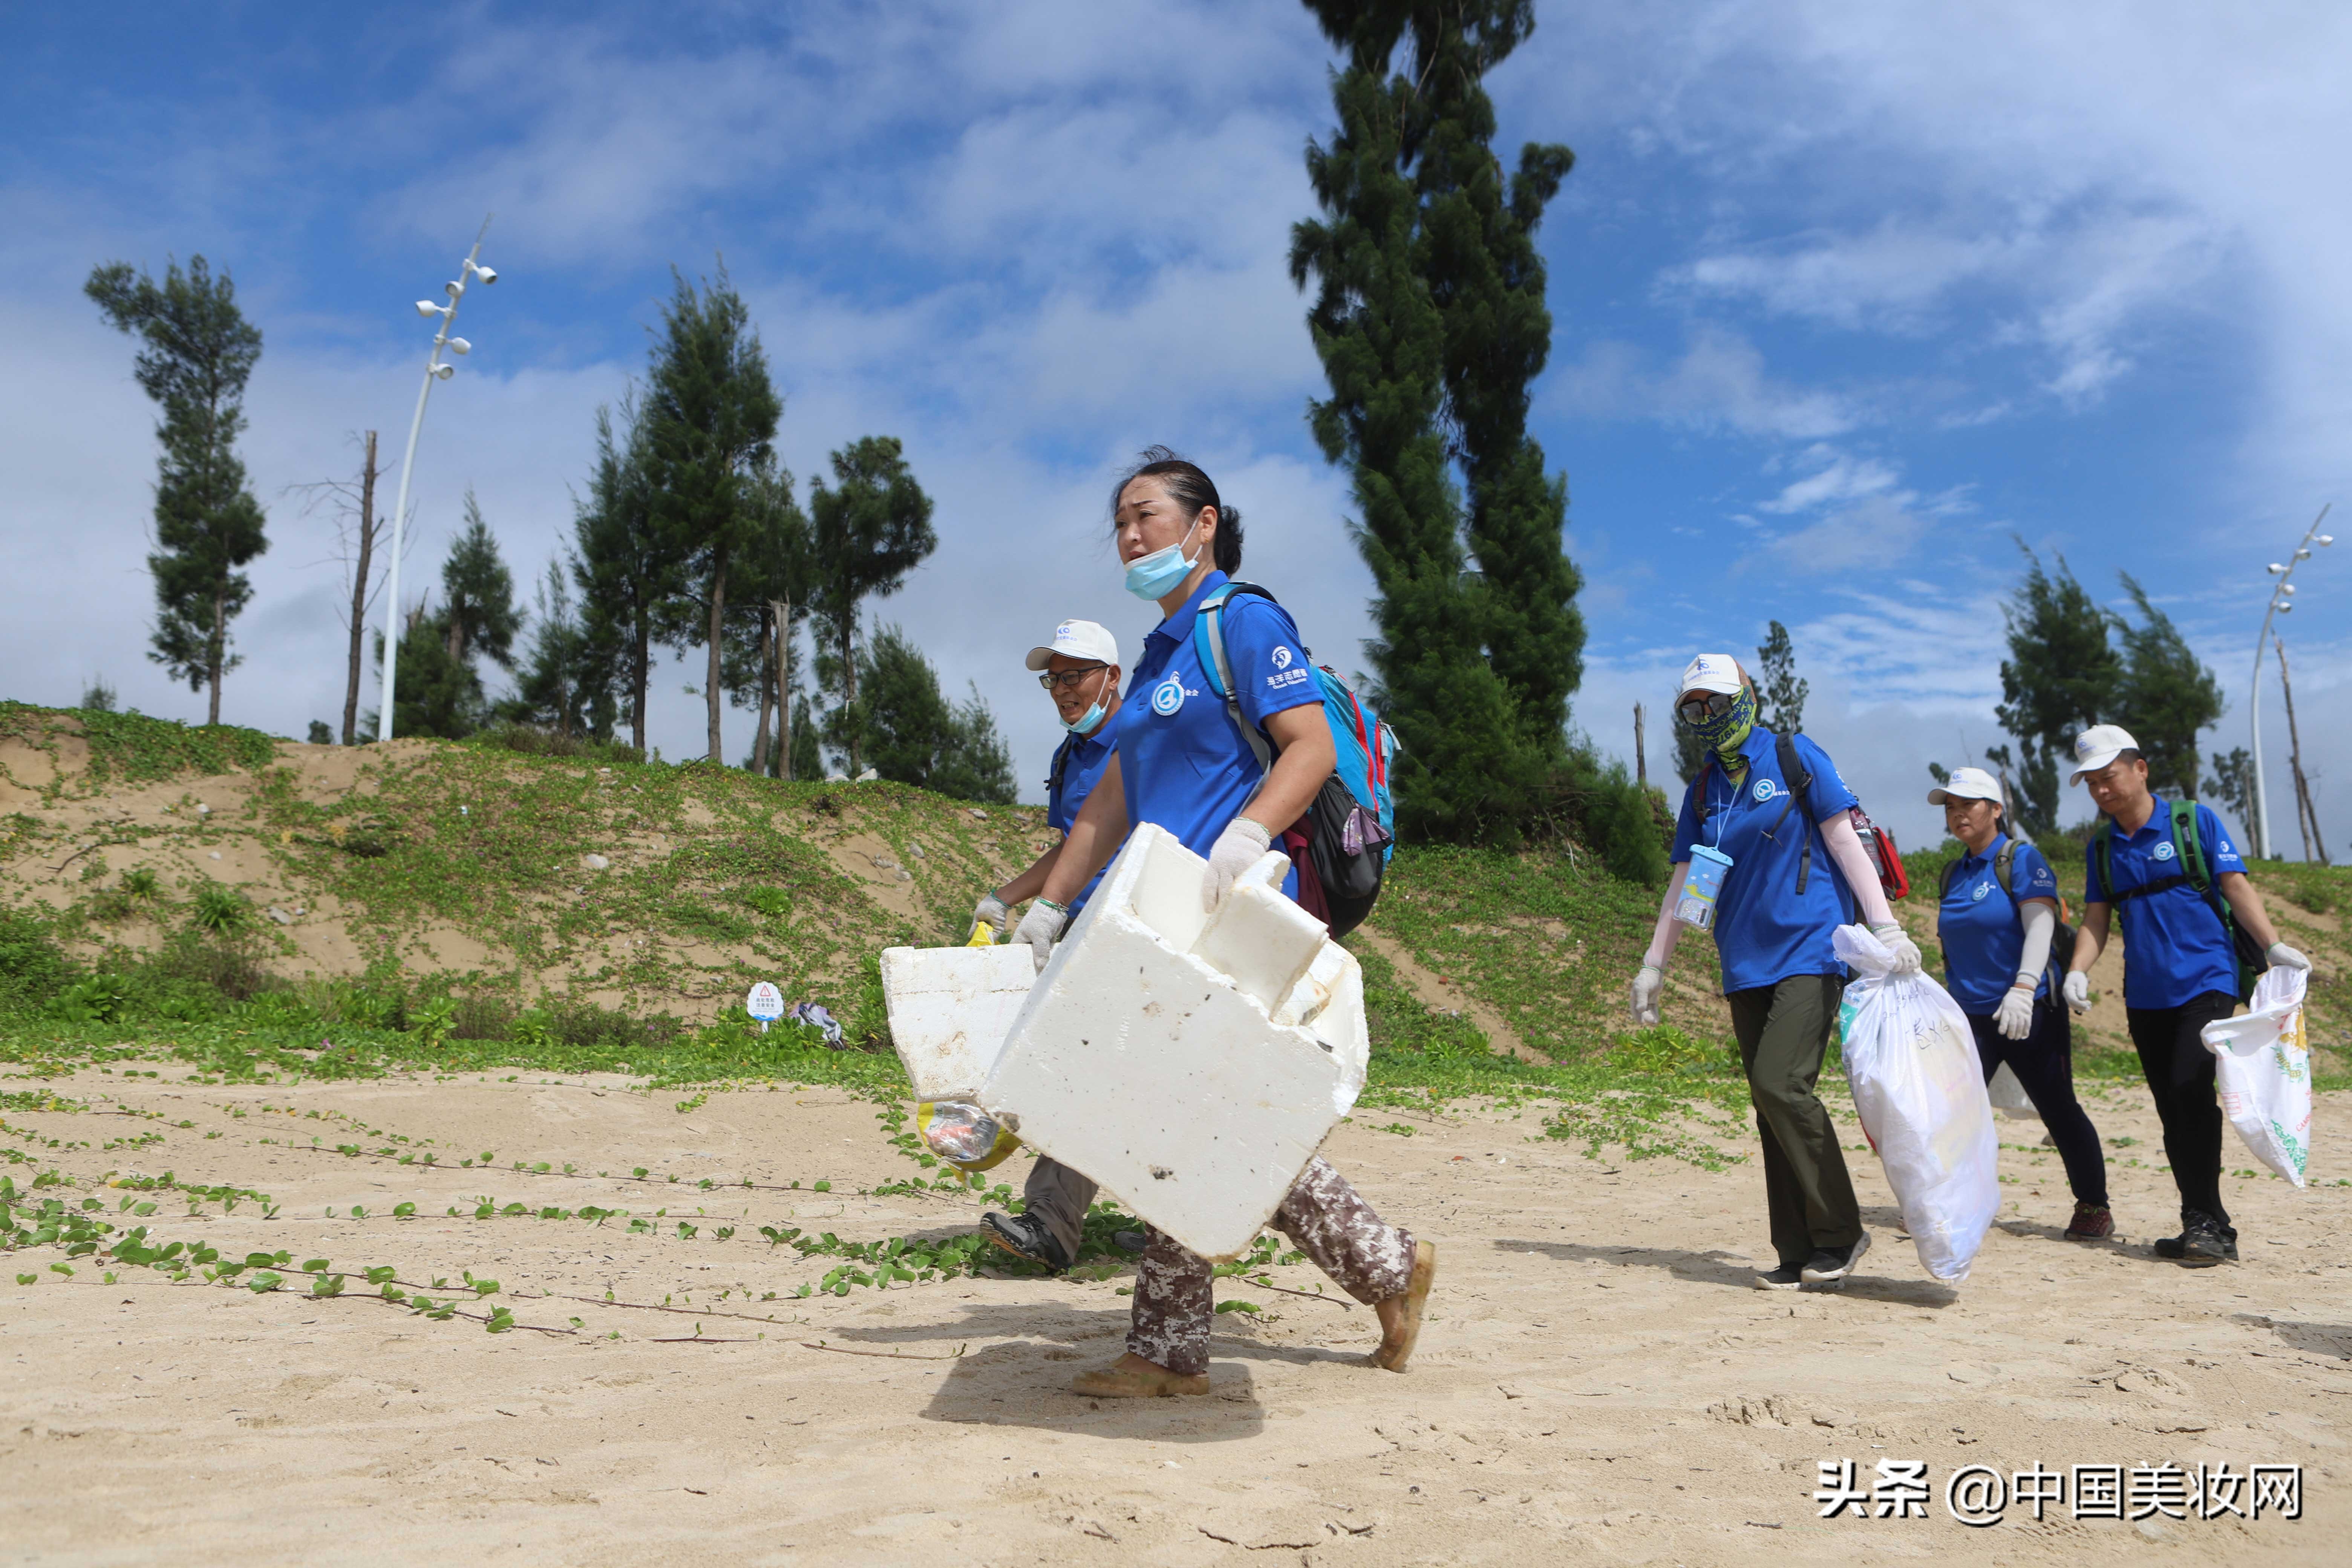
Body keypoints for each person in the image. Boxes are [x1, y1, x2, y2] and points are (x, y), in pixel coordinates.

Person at [1015, 447, 1436, 1398]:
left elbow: (1310, 746)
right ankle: (1385, 1264)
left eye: (1147, 515)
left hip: (1233, 912)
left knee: (1179, 1111)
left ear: (1203, 524)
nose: (1130, 536)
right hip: (1159, 924)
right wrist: (1048, 905)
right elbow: (1107, 804)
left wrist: (1248, 834)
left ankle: (1169, 1352)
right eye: (1120, 523)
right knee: (1203, 1115)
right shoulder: (1160, 652)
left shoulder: (1240, 621)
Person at [1630, 653, 1922, 1291]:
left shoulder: (1794, 756)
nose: (1707, 716)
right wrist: (1655, 965)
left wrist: (1886, 926)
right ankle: (1797, 1251)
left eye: (1716, 701)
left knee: (1780, 1083)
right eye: (1694, 709)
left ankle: (1841, 1232)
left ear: (1746, 696)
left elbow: (1844, 840)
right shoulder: (1704, 791)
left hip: (1812, 948)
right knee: (1770, 1104)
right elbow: (1685, 883)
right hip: (1744, 961)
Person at [2061, 724, 2309, 1266]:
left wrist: (2273, 945)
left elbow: (2235, 885)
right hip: (2146, 994)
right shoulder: (2102, 847)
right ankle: (2205, 1221)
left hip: (2208, 980)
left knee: (2189, 1090)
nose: (2102, 790)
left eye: (2109, 777)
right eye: (2092, 784)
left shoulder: (2192, 822)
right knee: (2172, 1108)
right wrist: (2078, 970)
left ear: (2140, 769)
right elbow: (2097, 919)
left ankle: (2207, 1223)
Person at [968, 619, 1126, 1274]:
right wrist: (1006, 898)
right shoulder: (1072, 755)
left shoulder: (1142, 742)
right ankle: (1176, 1232)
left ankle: (1054, 1226)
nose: (1062, 689)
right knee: (1121, 1079)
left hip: (1134, 936)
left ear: (1112, 677)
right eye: (1053, 679)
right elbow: (1073, 846)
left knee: (1086, 1074)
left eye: (1075, 675)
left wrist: (1044, 906)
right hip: (1083, 935)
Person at [1929, 766, 2111, 1240]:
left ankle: (2094, 1205)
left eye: (1968, 804)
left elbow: (2041, 926)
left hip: (2030, 1011)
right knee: (1953, 1112)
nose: (1957, 814)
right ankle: (1946, 1203)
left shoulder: (2020, 859)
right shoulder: (1954, 873)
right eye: (1950, 807)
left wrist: (2025, 988)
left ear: (1995, 809)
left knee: (2058, 1107)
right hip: (1970, 1015)